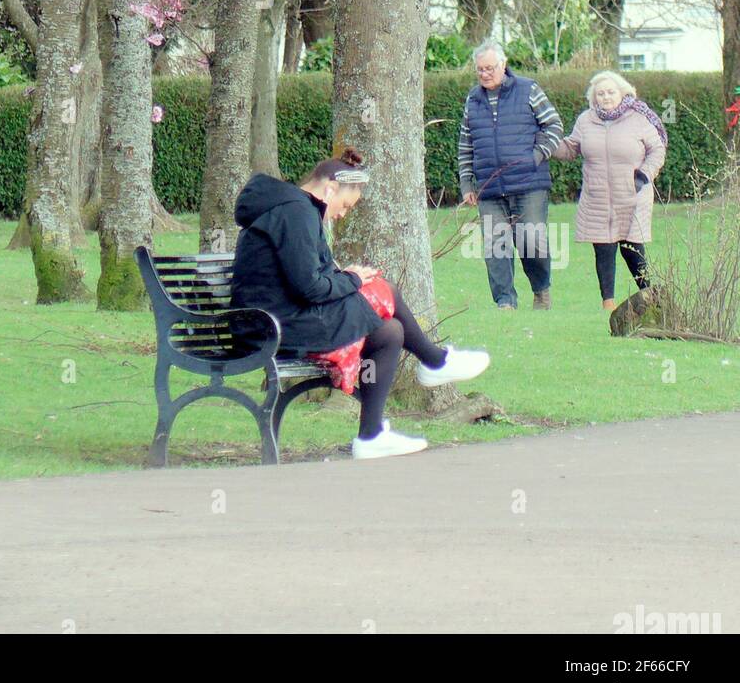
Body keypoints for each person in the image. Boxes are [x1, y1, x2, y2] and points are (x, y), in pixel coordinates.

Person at [231, 147, 490, 461]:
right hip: (270, 326)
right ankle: (434, 361)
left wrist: (347, 277)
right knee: (385, 291)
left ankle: (371, 436)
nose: (341, 214)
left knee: (390, 331)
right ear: (331, 188)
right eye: (344, 204)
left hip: (281, 317)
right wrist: (352, 280)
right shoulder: (295, 212)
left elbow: (309, 277)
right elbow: (309, 287)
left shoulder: (295, 209)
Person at [458, 39, 564, 310]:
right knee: (495, 248)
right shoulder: (472, 99)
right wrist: (466, 182)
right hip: (489, 189)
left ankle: (541, 290)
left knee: (532, 241)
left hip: (529, 183)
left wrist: (537, 155)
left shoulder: (529, 89)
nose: (484, 74)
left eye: (490, 68)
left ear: (503, 65)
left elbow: (554, 125)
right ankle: (505, 302)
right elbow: (466, 143)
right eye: (479, 69)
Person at [552, 70, 667, 310]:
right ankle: (608, 304)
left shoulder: (638, 118)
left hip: (632, 194)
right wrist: (548, 145)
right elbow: (571, 148)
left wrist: (644, 174)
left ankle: (650, 297)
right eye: (600, 93)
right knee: (603, 250)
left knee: (632, 248)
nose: (606, 97)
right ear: (594, 98)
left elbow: (657, 149)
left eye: (610, 92)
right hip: (598, 197)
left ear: (623, 93)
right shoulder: (586, 120)